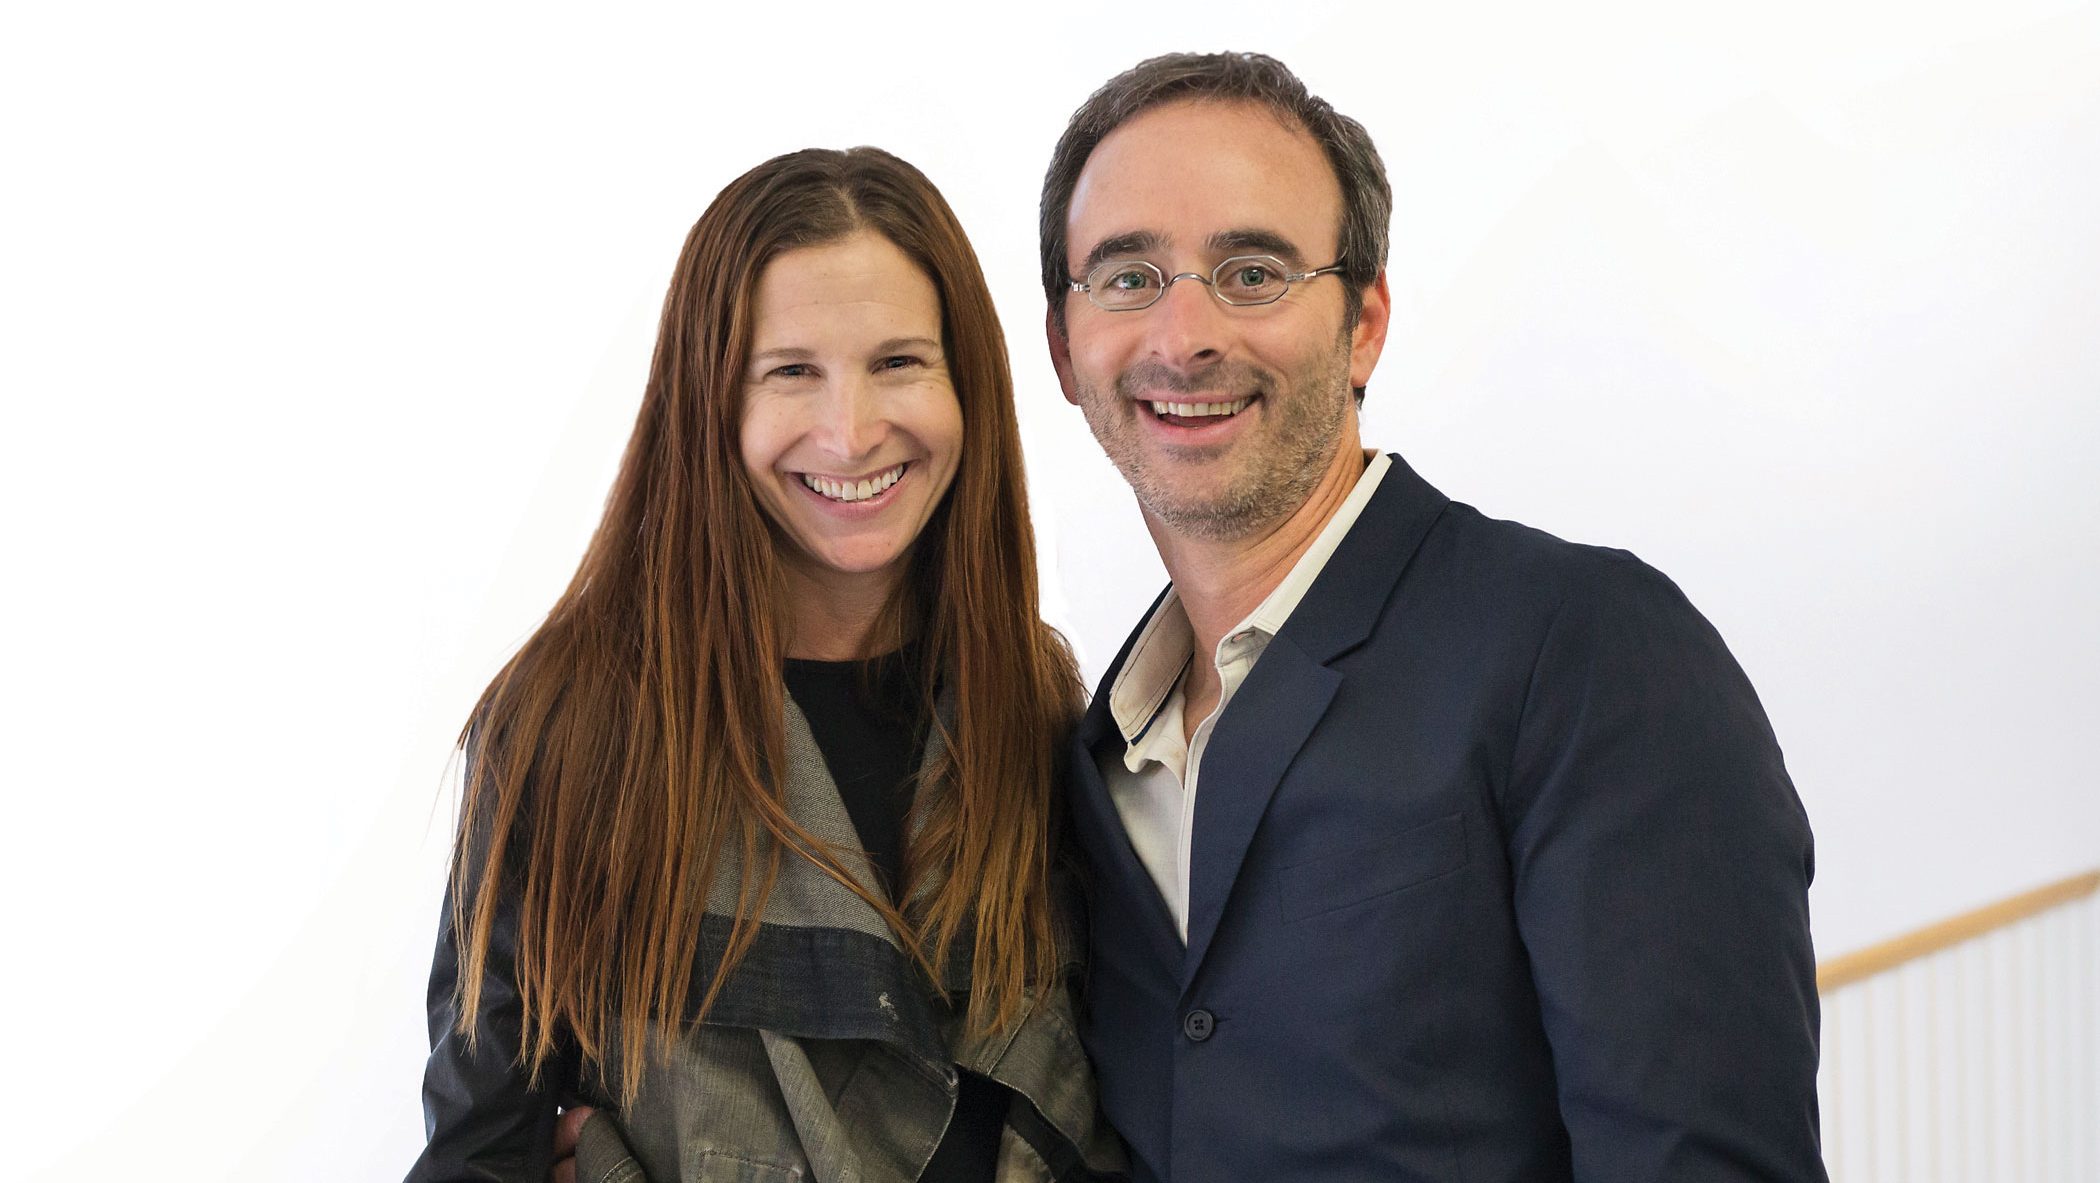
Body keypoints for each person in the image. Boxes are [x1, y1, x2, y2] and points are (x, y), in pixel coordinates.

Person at [1039, 53, 1827, 1181]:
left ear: (1363, 323)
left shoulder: (1585, 649)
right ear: (1065, 350)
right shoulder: (1092, 758)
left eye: (1253, 272)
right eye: (1128, 278)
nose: (1183, 335)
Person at [407, 147, 1123, 1183]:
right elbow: (479, 1153)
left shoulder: (1033, 703)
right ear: (710, 400)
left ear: (967, 384)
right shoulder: (573, 725)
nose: (852, 432)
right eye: (791, 371)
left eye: (898, 362)